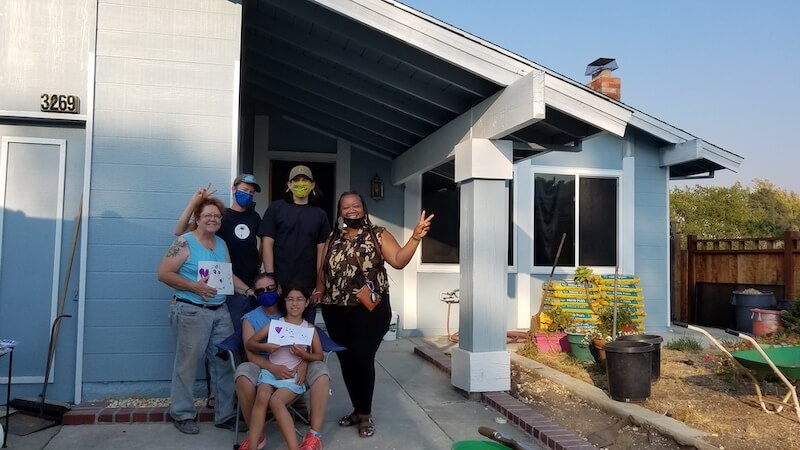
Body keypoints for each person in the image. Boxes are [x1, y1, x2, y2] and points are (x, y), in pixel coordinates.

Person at [318, 191, 433, 438]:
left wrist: (415, 237)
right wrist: (318, 290)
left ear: (364, 208)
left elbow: (399, 260)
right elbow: (322, 269)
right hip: (335, 309)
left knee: (362, 357)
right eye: (346, 206)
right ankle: (357, 409)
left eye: (356, 205)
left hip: (370, 311)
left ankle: (365, 414)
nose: (351, 210)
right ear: (340, 212)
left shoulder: (377, 234)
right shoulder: (332, 237)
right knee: (346, 360)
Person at [157, 196, 251, 434]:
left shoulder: (220, 244)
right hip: (190, 310)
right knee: (187, 364)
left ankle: (225, 414)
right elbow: (164, 274)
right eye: (207, 215)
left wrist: (249, 290)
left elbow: (227, 277)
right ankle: (182, 413)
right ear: (197, 219)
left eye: (217, 216)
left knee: (224, 362)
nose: (212, 219)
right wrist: (195, 286)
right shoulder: (185, 242)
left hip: (220, 311)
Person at [235, 273, 331, 450]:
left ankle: (293, 447)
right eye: (291, 300)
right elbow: (250, 343)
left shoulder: (309, 329)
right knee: (262, 396)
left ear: (307, 302)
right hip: (269, 373)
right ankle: (253, 444)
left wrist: (305, 357)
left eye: (300, 300)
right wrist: (266, 347)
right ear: (284, 301)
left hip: (292, 376)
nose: (295, 304)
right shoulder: (274, 325)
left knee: (276, 401)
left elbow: (319, 355)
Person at [175, 174, 263, 333]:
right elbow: (180, 231)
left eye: (251, 192)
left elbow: (262, 242)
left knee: (251, 334)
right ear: (234, 189)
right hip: (227, 287)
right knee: (231, 336)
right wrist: (195, 203)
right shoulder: (220, 217)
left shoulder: (254, 217)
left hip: (251, 285)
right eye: (244, 190)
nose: (248, 194)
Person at [258, 165, 330, 310]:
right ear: (289, 185)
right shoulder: (275, 209)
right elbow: (267, 244)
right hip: (279, 284)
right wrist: (271, 279)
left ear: (313, 185)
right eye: (296, 180)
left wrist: (319, 285)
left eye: (305, 180)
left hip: (307, 286)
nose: (301, 183)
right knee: (278, 328)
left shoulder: (320, 215)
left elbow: (322, 252)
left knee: (304, 329)